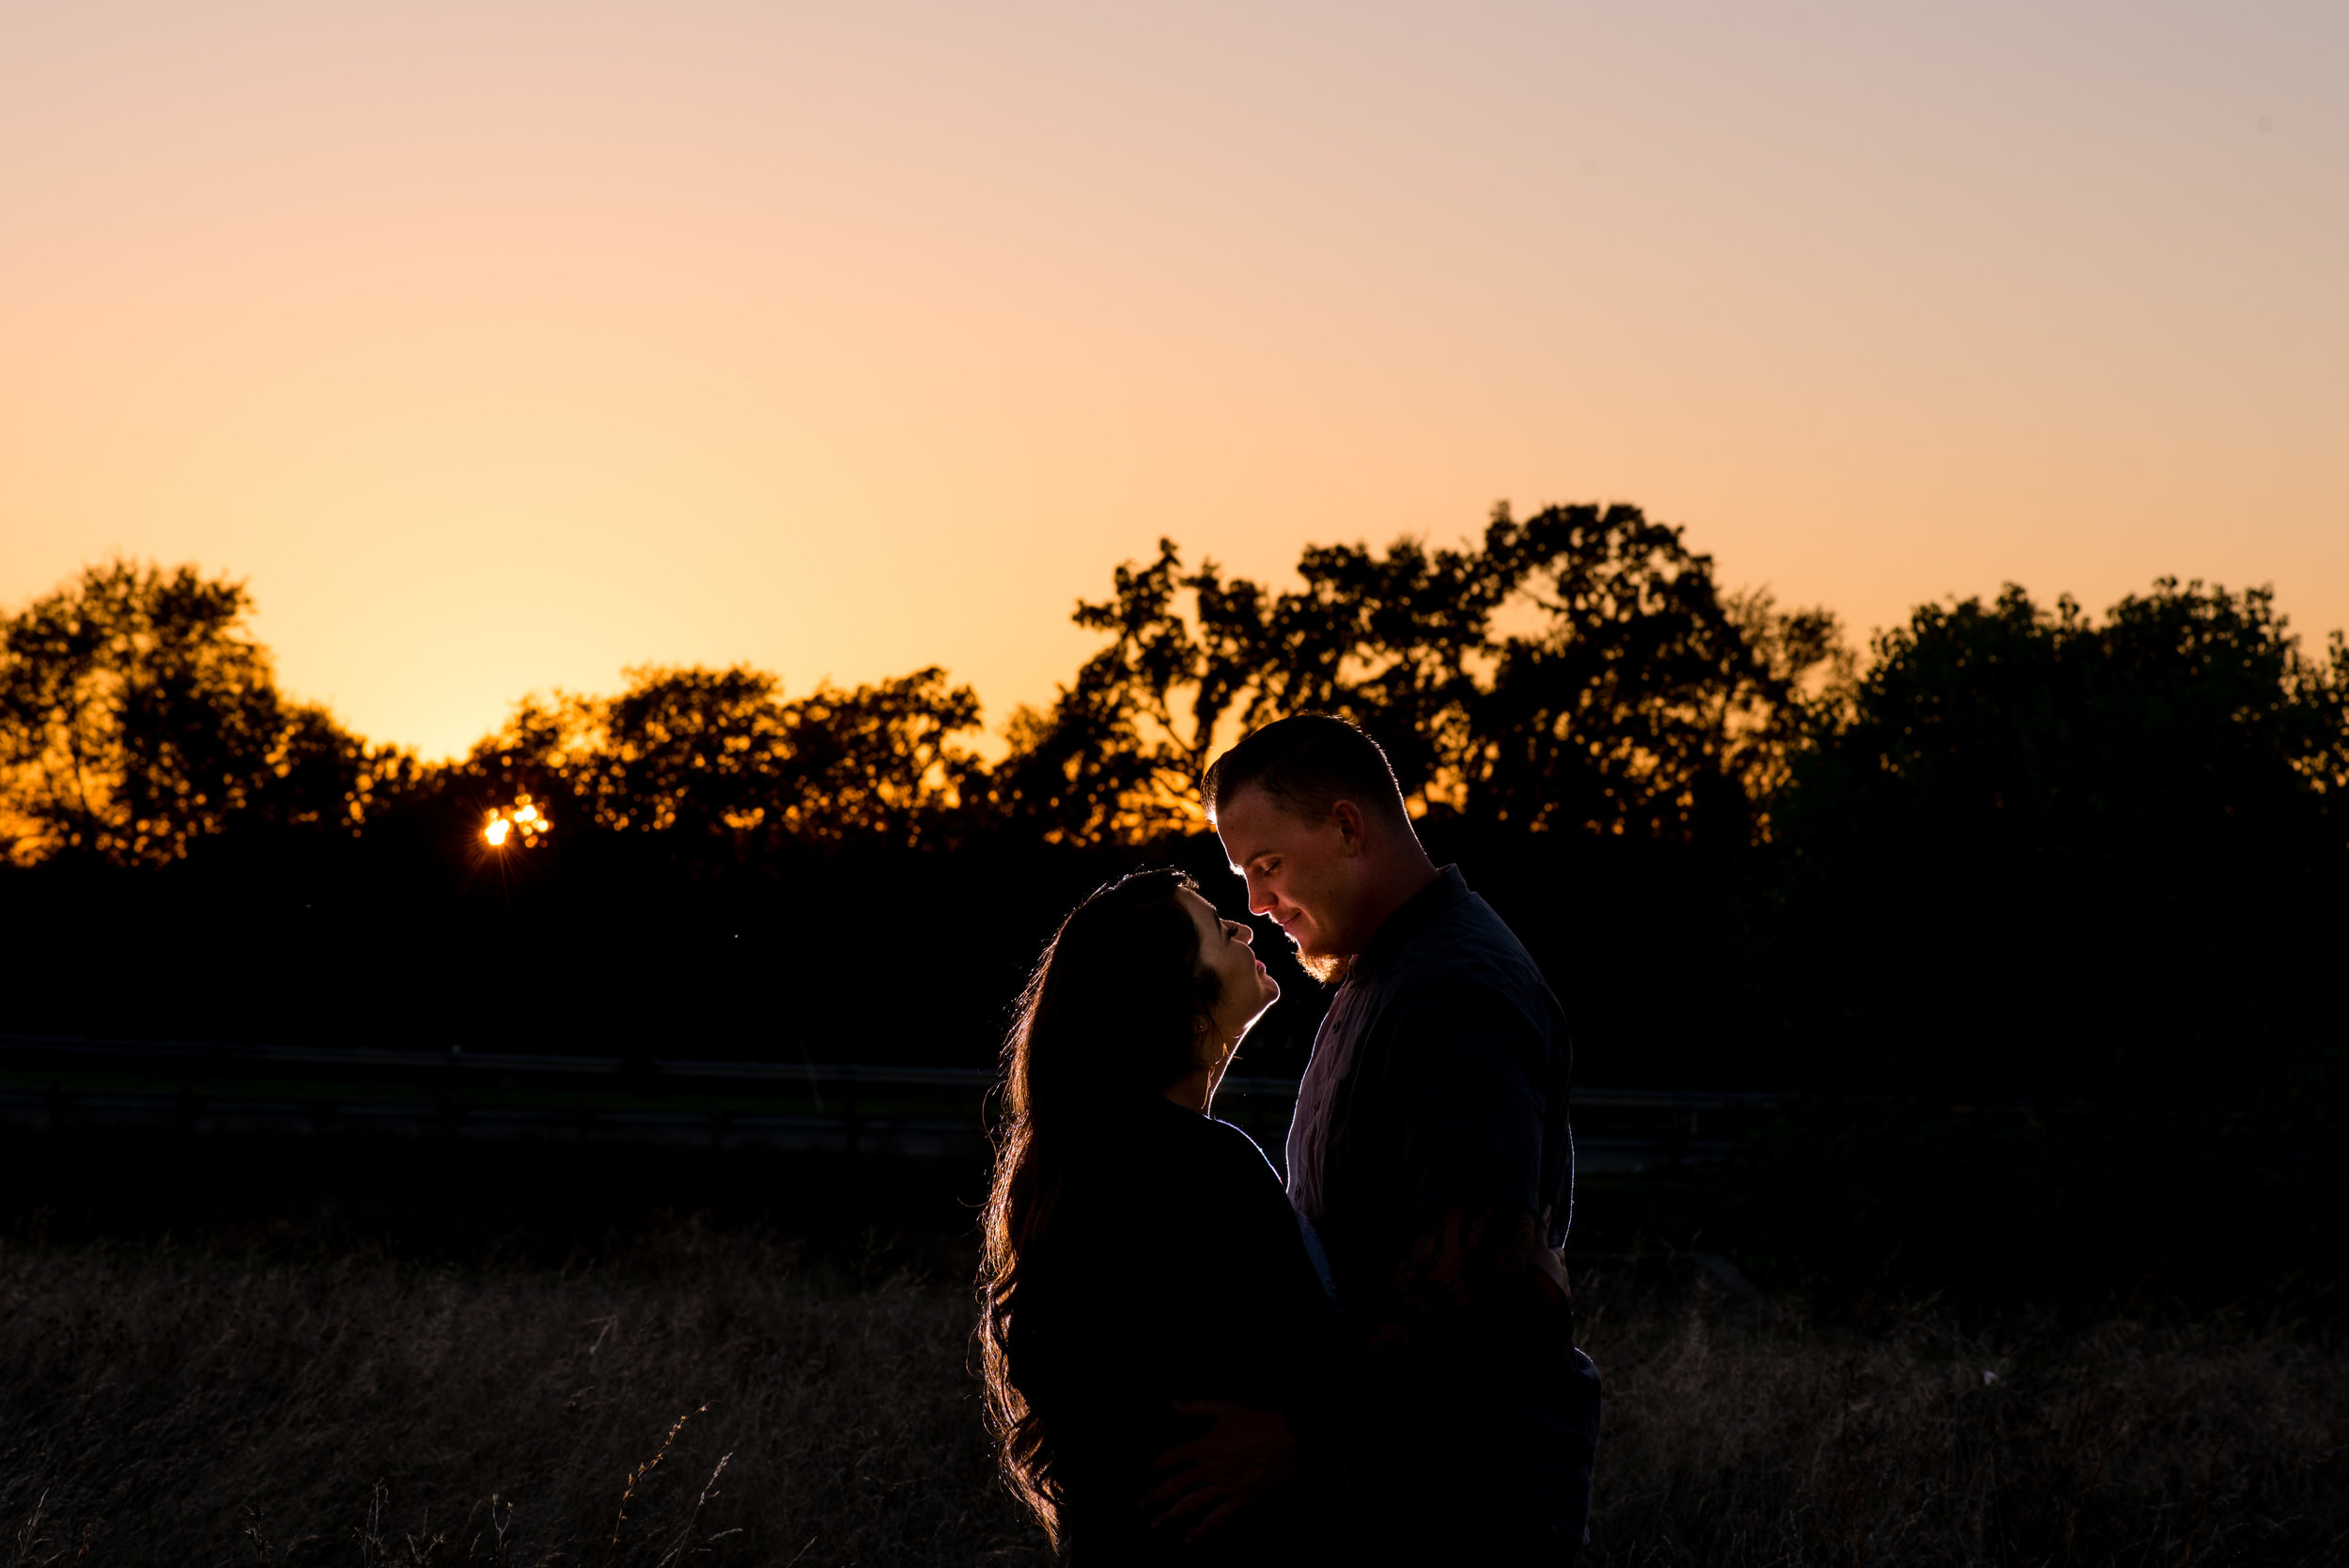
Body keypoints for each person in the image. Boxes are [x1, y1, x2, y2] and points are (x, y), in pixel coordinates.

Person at [1151, 713, 1602, 1560]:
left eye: (1268, 865)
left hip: (1468, 1507)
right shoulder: (1384, 973)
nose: (1255, 902)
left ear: (1348, 825)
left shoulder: (1452, 988)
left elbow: (1493, 1270)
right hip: (1396, 1497)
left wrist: (1294, 1431)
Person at [977, 869, 1339, 1563]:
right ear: (1175, 995)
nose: (1243, 926)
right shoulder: (1206, 1168)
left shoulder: (1096, 1169)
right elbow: (1322, 1361)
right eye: (1215, 927)